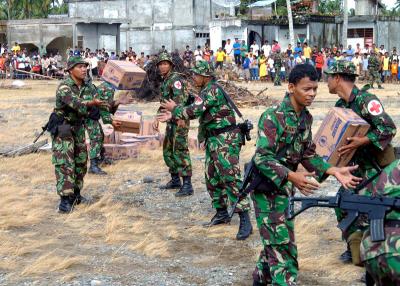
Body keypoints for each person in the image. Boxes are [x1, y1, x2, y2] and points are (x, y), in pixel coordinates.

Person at [250, 64, 361, 286]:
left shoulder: (305, 118)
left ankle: (260, 278)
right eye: (306, 89)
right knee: (284, 254)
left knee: (277, 243)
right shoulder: (273, 117)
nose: (311, 94)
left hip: (283, 190)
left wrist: (332, 169)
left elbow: (306, 153)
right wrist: (292, 176)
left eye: (314, 89)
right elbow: (262, 158)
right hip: (267, 191)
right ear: (291, 87)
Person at [157, 60, 253, 240]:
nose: (193, 77)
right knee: (212, 178)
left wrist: (175, 109)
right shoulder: (205, 91)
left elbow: (195, 110)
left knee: (230, 178)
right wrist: (175, 113)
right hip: (214, 139)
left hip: (225, 140)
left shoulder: (212, 90)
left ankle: (245, 220)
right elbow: (196, 111)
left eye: (196, 74)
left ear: (205, 76)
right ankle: (222, 213)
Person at [325, 60, 397, 265]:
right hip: (355, 167)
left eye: (329, 77)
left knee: (367, 209)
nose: (326, 81)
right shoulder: (341, 105)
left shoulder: (367, 101)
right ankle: (353, 247)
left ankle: (373, 254)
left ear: (337, 78)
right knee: (343, 204)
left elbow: (388, 128)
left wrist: (363, 140)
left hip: (375, 169)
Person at [52, 56, 106, 213]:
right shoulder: (64, 87)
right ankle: (64, 200)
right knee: (65, 164)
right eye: (80, 66)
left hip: (78, 128)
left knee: (81, 161)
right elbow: (76, 103)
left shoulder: (87, 87)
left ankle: (76, 194)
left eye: (85, 66)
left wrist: (116, 103)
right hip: (63, 128)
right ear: (70, 70)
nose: (84, 69)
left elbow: (100, 104)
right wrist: (91, 104)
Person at [153, 53, 194, 197]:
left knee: (180, 150)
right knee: (169, 150)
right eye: (161, 64)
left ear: (170, 65)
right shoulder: (166, 80)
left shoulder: (176, 79)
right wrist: (157, 117)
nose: (163, 66)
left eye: (166, 63)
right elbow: (165, 103)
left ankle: (187, 184)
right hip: (171, 120)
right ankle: (175, 179)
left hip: (179, 119)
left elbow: (181, 101)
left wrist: (180, 117)